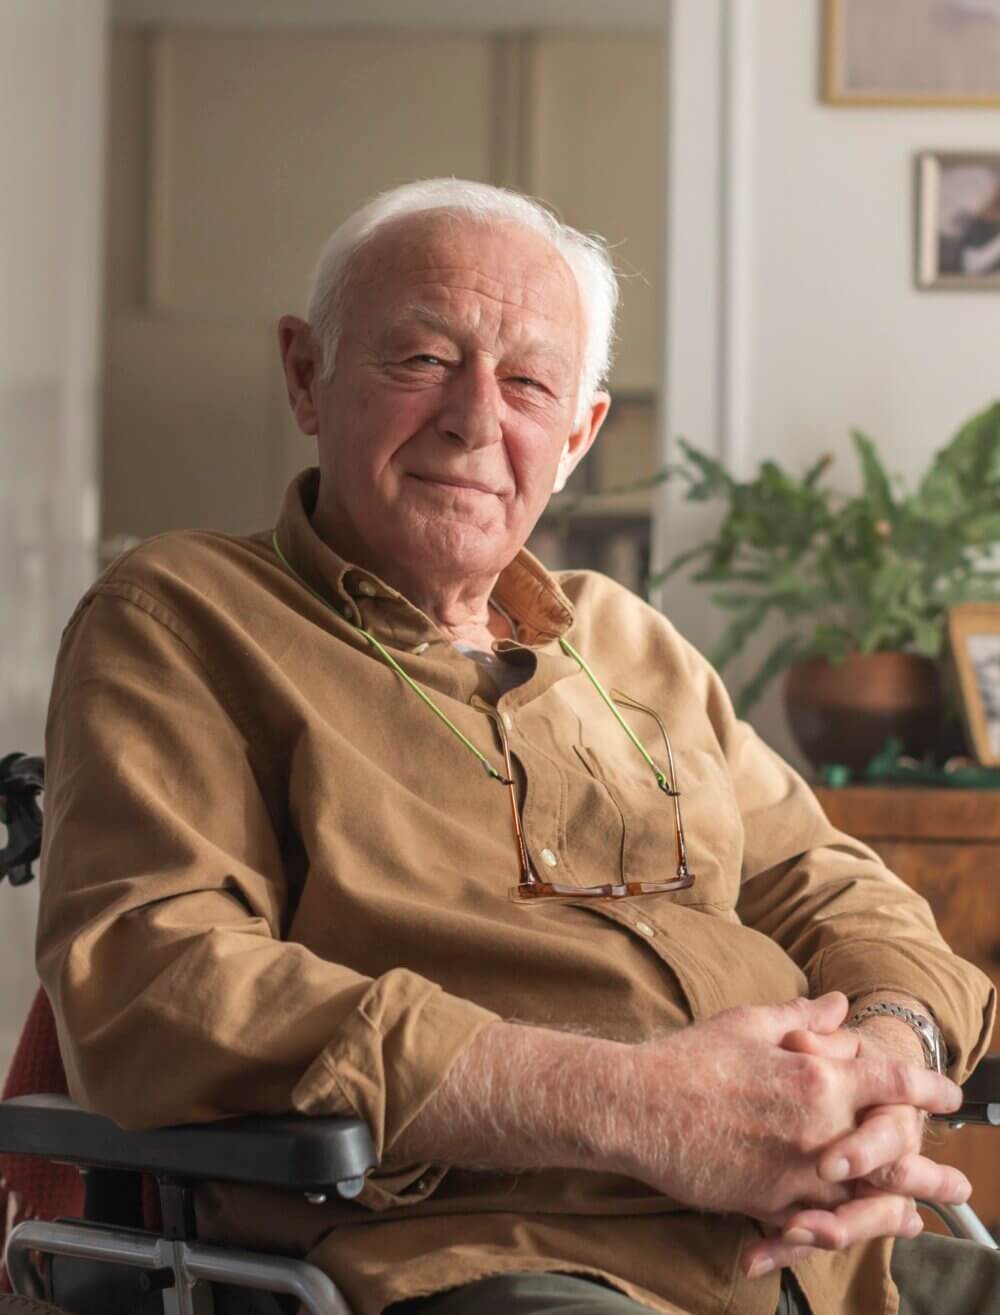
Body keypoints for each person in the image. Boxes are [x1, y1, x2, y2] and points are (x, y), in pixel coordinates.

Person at [36, 180, 995, 1315]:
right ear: (306, 374)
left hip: (834, 1263)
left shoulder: (631, 641)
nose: (476, 417)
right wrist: (635, 1104)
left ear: (579, 433)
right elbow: (157, 974)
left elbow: (840, 891)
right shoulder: (182, 615)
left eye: (530, 381)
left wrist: (880, 1055)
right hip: (488, 1257)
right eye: (423, 359)